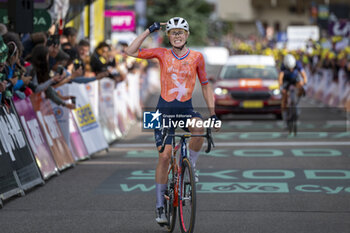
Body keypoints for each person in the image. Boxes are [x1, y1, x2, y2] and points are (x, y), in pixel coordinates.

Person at [125, 17, 219, 224]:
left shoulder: (197, 57)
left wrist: (212, 113)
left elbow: (205, 85)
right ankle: (160, 206)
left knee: (199, 127)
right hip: (162, 112)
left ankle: (190, 166)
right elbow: (130, 52)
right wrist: (149, 30)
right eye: (173, 32)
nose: (177, 36)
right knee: (165, 156)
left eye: (181, 32)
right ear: (168, 36)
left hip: (186, 109)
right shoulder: (161, 53)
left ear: (187, 35)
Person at [278, 54, 308, 124]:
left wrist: (305, 82)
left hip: (295, 79)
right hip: (286, 80)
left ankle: (296, 102)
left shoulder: (298, 64)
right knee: (284, 96)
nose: (291, 70)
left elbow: (303, 74)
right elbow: (280, 77)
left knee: (301, 85)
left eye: (292, 68)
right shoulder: (283, 65)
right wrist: (281, 87)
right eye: (289, 68)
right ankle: (285, 117)